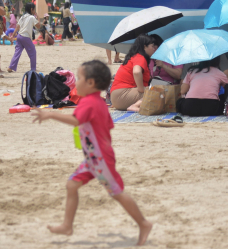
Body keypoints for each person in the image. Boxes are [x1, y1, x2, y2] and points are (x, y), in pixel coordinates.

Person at [33, 60, 152, 246]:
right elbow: (104, 126)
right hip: (93, 158)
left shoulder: (90, 103)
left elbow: (75, 120)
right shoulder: (96, 102)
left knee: (117, 193)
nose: (75, 82)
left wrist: (50, 114)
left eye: (79, 78)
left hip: (101, 159)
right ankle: (67, 226)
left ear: (90, 83)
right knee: (72, 185)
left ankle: (144, 224)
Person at [109, 35, 161, 111]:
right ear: (144, 47)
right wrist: (141, 88)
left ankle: (134, 104)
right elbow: (136, 72)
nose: (154, 49)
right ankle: (135, 106)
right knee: (159, 94)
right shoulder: (140, 57)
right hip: (122, 94)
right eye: (152, 46)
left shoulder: (135, 56)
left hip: (117, 95)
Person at [7, 3, 39, 73]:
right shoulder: (32, 17)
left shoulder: (23, 17)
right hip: (26, 37)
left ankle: (11, 67)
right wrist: (38, 18)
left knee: (17, 52)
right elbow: (38, 26)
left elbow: (18, 26)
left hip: (19, 36)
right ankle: (33, 68)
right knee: (33, 52)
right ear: (31, 9)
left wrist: (14, 34)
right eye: (34, 9)